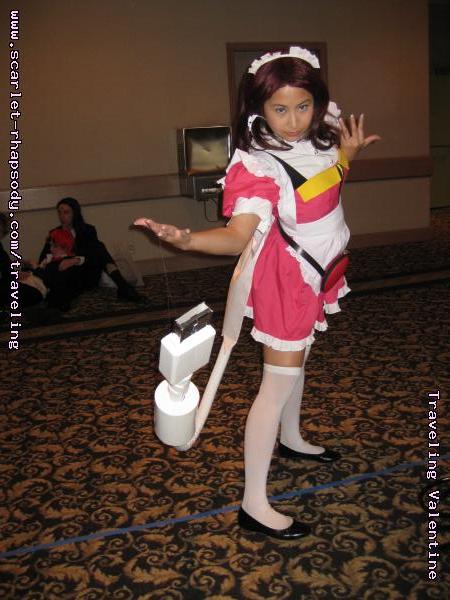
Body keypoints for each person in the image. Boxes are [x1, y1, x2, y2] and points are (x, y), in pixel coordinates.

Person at [135, 46, 380, 540]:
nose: (293, 121)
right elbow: (238, 235)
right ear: (259, 109)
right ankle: (254, 503)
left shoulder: (322, 135)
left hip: (320, 269)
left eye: (303, 106)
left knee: (299, 361)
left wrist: (347, 157)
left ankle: (292, 437)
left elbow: (324, 181)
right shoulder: (258, 165)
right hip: (288, 280)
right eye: (279, 109)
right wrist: (188, 239)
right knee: (276, 386)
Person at [39, 197, 142, 305]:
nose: (62, 216)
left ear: (75, 213)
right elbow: (42, 258)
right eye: (59, 212)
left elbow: (91, 255)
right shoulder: (54, 233)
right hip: (67, 273)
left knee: (99, 247)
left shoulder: (87, 230)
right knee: (97, 248)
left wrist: (75, 260)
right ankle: (123, 286)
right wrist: (60, 257)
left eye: (66, 212)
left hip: (87, 271)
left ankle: (122, 285)